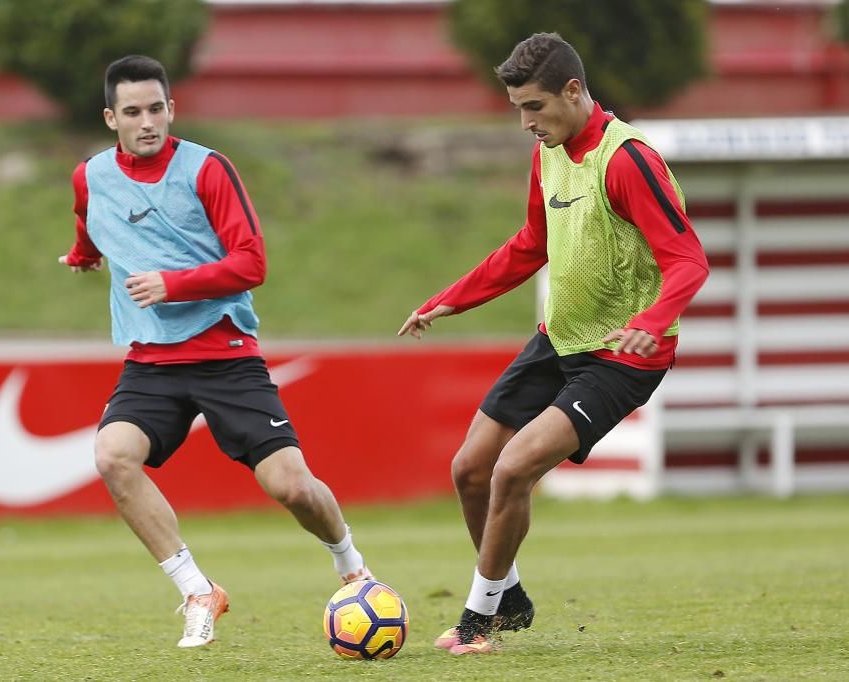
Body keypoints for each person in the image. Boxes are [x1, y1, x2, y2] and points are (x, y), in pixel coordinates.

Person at [398, 33, 709, 655]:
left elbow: (689, 260)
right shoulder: (549, 152)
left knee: (513, 470)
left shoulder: (627, 161)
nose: (525, 122)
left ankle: (476, 621)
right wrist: (451, 297)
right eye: (517, 107)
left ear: (573, 91)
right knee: (469, 470)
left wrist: (653, 318)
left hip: (620, 357)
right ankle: (508, 596)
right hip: (557, 340)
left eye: (534, 107)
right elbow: (529, 245)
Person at [59, 55, 372, 649]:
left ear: (171, 109)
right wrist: (83, 255)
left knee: (293, 488)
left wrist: (170, 284)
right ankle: (197, 589)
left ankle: (352, 565)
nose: (147, 121)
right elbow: (87, 218)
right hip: (151, 361)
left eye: (156, 108)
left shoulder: (206, 169)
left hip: (225, 354)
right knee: (112, 457)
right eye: (133, 112)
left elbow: (252, 262)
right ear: (110, 118)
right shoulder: (91, 175)